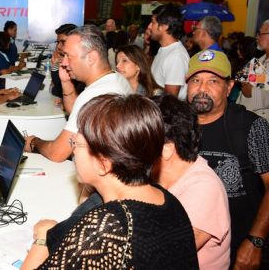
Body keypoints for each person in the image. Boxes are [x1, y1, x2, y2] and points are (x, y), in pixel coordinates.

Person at [21, 94, 198, 269]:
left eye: (76, 143)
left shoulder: (106, 227)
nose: (73, 151)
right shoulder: (167, 200)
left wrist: (44, 238)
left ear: (103, 164)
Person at [186, 49, 269, 268]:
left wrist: (255, 241)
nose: (202, 89)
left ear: (229, 87)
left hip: (240, 246)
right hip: (186, 247)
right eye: (196, 80)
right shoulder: (176, 126)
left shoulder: (250, 126)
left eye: (213, 81)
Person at [24, 25, 133, 162]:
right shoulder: (117, 79)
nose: (63, 62)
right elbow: (78, 112)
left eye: (68, 56)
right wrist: (66, 82)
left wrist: (34, 142)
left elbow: (57, 153)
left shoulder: (95, 95)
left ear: (91, 58)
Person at [153, 94, 231, 269]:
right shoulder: (154, 178)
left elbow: (165, 255)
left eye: (141, 139)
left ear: (167, 149)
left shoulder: (204, 188)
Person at [148, 3, 189, 100]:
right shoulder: (164, 49)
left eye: (153, 22)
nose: (149, 26)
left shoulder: (176, 56)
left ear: (165, 26)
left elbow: (170, 99)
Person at [236, 20, 269, 118]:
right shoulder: (260, 60)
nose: (257, 37)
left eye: (260, 33)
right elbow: (243, 82)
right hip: (246, 115)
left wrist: (253, 92)